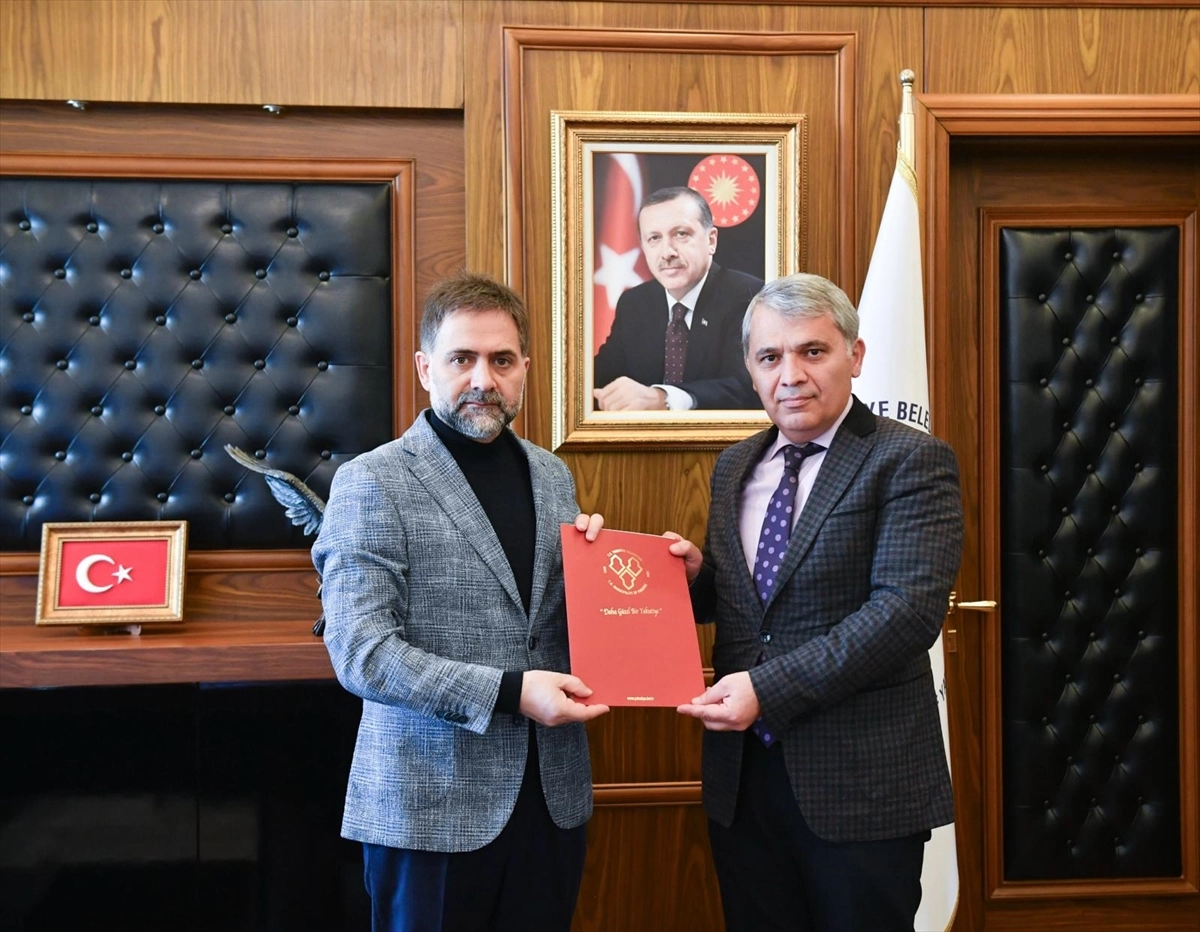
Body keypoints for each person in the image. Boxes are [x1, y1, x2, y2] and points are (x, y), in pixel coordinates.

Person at [313, 272, 610, 932]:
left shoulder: (552, 475)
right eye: (461, 359)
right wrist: (510, 692)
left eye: (502, 360)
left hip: (551, 802)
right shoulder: (372, 481)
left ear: (525, 367)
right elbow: (362, 653)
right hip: (430, 810)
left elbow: (548, 624)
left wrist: (605, 575)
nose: (483, 379)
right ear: (426, 368)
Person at [668, 273, 963, 932]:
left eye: (812, 351)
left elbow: (905, 613)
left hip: (860, 786)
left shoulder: (910, 461)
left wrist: (766, 690)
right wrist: (691, 579)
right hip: (744, 782)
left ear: (854, 357)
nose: (791, 375)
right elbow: (749, 603)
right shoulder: (734, 465)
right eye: (770, 357)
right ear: (750, 370)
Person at [592, 186, 763, 411]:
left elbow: (750, 386)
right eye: (654, 238)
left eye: (681, 234)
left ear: (711, 240)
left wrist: (664, 398)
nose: (667, 252)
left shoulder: (750, 297)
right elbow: (600, 377)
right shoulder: (634, 303)